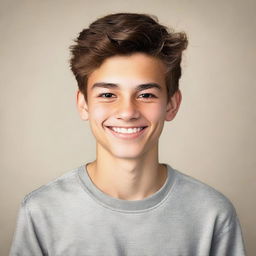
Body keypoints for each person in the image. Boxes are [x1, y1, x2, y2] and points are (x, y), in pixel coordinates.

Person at [9, 13, 246, 255]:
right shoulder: (42, 211)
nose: (128, 112)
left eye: (146, 95)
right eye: (108, 94)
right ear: (83, 104)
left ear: (172, 105)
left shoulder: (212, 214)